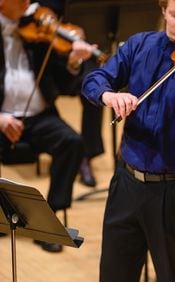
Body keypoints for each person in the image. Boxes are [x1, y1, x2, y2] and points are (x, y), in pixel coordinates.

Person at [81, 0, 175, 281]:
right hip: (127, 185)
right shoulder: (139, 45)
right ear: (163, 12)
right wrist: (109, 95)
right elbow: (95, 79)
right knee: (114, 274)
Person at [0, 0, 94, 252]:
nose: (29, 3)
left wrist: (74, 61)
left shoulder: (36, 32)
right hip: (2, 118)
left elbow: (66, 86)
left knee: (72, 142)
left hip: (38, 116)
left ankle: (48, 221)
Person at [34, 0, 104, 188]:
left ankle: (86, 155)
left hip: (66, 43)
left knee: (94, 84)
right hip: (38, 48)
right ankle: (52, 138)